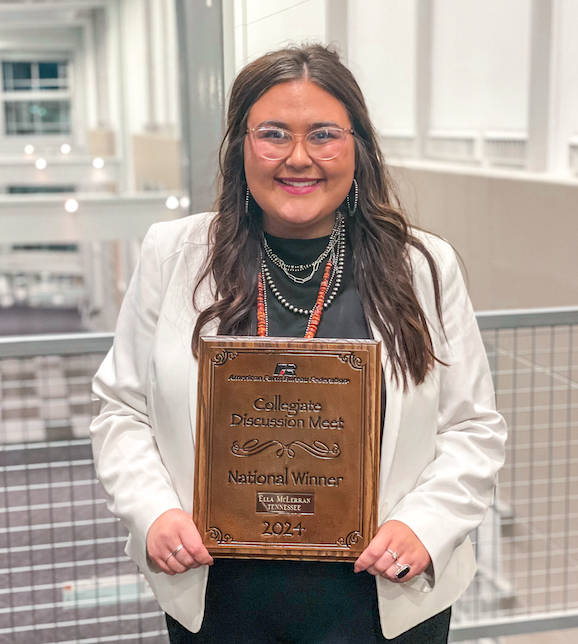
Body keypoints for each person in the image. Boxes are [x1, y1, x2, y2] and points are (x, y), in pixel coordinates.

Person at [90, 44, 506, 643]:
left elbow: (472, 428)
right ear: (240, 148)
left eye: (325, 134)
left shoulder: (423, 266)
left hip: (381, 601)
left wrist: (426, 524)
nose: (299, 157)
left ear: (357, 147)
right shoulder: (173, 255)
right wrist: (153, 510)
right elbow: (121, 408)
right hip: (219, 600)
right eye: (274, 133)